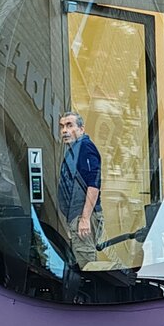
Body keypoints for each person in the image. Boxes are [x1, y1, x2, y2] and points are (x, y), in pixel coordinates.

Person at [56, 112, 102, 266]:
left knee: (86, 263)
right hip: (76, 216)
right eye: (62, 126)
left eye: (69, 125)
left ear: (81, 129)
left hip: (83, 215)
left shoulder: (85, 147)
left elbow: (93, 184)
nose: (64, 130)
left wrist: (84, 219)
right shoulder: (74, 149)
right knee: (81, 259)